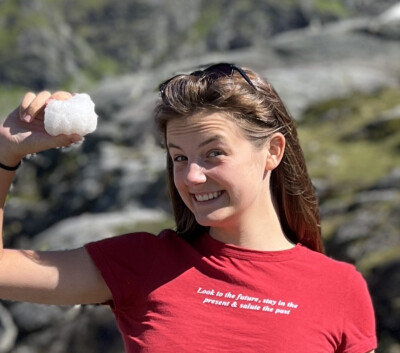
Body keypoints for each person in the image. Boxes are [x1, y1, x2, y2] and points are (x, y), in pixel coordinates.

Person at [0, 63, 377, 352]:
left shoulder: (341, 288)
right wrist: (6, 154)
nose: (192, 177)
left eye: (214, 153)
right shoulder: (142, 263)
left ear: (273, 152)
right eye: (179, 158)